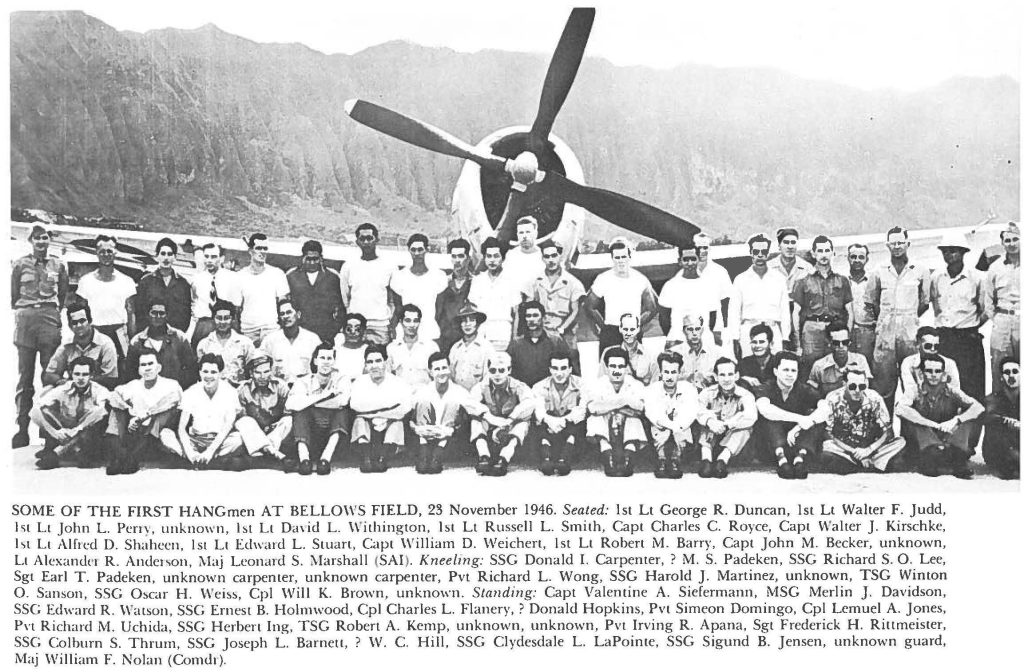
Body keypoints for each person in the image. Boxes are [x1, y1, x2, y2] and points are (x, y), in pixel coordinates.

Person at [12, 225, 69, 447]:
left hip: (48, 320)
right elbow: (13, 294)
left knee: (51, 375)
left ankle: (49, 433)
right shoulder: (20, 264)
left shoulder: (58, 265)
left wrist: (51, 313)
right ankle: (22, 428)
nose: (41, 242)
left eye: (45, 238)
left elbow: (62, 295)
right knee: (25, 377)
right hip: (26, 321)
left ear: (49, 240)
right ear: (30, 241)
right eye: (37, 238)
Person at [865, 226, 931, 407]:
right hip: (885, 334)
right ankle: (886, 430)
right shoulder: (879, 271)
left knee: (913, 382)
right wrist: (886, 320)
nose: (897, 247)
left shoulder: (920, 270)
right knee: (883, 384)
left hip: (910, 335)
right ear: (887, 245)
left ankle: (912, 432)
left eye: (901, 242)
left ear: (908, 244)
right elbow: (871, 301)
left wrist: (908, 318)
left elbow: (925, 302)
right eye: (893, 243)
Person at [895, 353, 984, 479]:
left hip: (946, 438)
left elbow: (979, 407)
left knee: (968, 416)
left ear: (943, 374)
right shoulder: (914, 390)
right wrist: (931, 424)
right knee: (913, 418)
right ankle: (931, 459)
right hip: (924, 444)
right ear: (921, 373)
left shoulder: (951, 390)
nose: (933, 375)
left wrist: (956, 420)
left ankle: (959, 460)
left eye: (937, 371)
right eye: (929, 371)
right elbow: (900, 409)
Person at [159, 353, 246, 470]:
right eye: (205, 371)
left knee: (238, 439)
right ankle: (197, 460)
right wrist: (190, 453)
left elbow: (227, 426)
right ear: (200, 372)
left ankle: (205, 460)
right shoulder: (191, 392)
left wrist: (210, 451)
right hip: (195, 440)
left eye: (213, 372)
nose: (208, 376)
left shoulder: (230, 392)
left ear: (220, 373)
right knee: (166, 434)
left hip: (219, 441)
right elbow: (181, 428)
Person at [105, 347, 183, 475]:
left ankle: (132, 458)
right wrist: (130, 411)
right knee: (116, 411)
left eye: (151, 364)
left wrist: (145, 415)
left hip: (156, 434)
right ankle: (120, 455)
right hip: (137, 431)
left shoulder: (171, 384)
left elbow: (173, 399)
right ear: (139, 370)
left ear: (159, 367)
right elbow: (113, 396)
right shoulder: (134, 385)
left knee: (164, 413)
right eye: (143, 365)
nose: (147, 368)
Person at [930, 232, 987, 402]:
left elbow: (984, 309)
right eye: (945, 251)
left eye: (953, 251)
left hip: (968, 339)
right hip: (944, 338)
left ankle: (973, 428)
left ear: (963, 252)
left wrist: (971, 325)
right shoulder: (936, 278)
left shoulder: (976, 278)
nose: (949, 255)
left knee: (972, 388)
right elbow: (934, 305)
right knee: (944, 385)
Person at [818, 367, 906, 474]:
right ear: (844, 383)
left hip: (871, 446)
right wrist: (854, 452)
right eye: (852, 386)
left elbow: (888, 432)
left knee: (900, 442)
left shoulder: (874, 398)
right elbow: (828, 433)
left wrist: (868, 450)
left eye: (862, 386)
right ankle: (867, 465)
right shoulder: (833, 398)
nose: (857, 391)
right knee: (827, 446)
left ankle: (861, 465)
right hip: (845, 447)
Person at [411, 352, 486, 474]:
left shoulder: (459, 392)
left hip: (447, 439)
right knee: (423, 403)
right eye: (437, 369)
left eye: (444, 368)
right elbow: (409, 416)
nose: (441, 372)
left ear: (449, 369)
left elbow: (476, 410)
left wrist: (452, 430)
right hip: (426, 436)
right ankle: (423, 456)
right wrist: (417, 429)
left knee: (452, 404)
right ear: (430, 372)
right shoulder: (423, 391)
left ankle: (437, 457)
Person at [30, 357, 110, 470]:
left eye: (85, 374)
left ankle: (57, 453)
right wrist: (55, 432)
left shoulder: (100, 391)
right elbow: (35, 410)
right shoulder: (63, 389)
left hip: (87, 433)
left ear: (91, 375)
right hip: (64, 431)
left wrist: (76, 430)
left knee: (99, 413)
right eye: (77, 374)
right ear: (71, 374)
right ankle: (63, 450)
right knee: (42, 410)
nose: (80, 378)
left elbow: (101, 411)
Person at [754, 351, 824, 479]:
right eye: (786, 370)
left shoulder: (803, 389)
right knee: (771, 416)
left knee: (813, 415)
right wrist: (800, 419)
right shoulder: (766, 387)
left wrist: (803, 424)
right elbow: (764, 409)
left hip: (797, 443)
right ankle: (782, 461)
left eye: (793, 371)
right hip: (772, 445)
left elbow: (825, 407)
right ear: (776, 371)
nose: (790, 375)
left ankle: (799, 460)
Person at [286, 343, 351, 476]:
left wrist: (309, 401)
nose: (326, 362)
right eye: (322, 358)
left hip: (333, 433)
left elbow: (342, 402)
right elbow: (291, 405)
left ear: (334, 361)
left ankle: (325, 460)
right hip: (310, 433)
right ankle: (304, 460)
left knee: (342, 412)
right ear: (315, 360)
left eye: (329, 358)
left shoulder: (342, 379)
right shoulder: (303, 381)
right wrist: (326, 396)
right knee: (300, 413)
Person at [791, 235, 853, 373]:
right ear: (813, 254)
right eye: (819, 251)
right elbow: (796, 313)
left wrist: (847, 337)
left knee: (835, 369)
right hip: (812, 330)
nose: (823, 255)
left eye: (827, 251)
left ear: (832, 253)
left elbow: (850, 311)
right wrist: (798, 343)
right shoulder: (802, 281)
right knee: (810, 368)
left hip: (835, 331)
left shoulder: (842, 281)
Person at [585, 239, 658, 353]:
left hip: (632, 331)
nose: (621, 261)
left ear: (629, 257)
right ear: (612, 258)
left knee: (635, 367)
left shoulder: (640, 279)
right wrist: (603, 326)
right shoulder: (603, 279)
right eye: (617, 258)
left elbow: (651, 308)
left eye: (623, 257)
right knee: (608, 368)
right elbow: (589, 306)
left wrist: (637, 325)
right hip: (611, 331)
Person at [350, 345, 413, 474]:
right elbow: (355, 405)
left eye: (378, 361)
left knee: (397, 423)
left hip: (389, 424)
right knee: (360, 420)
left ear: (386, 362)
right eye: (370, 362)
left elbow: (405, 407)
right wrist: (389, 408)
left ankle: (382, 458)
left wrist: (373, 410)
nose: (374, 366)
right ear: (366, 365)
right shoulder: (359, 382)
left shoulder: (398, 382)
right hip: (369, 426)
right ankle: (366, 458)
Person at [75, 234, 136, 365]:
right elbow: (80, 313)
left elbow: (131, 313)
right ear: (96, 253)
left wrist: (132, 340)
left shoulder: (127, 281)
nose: (106, 254)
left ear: (116, 252)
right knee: (94, 369)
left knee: (121, 370)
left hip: (119, 333)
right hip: (95, 332)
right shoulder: (85, 281)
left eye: (109, 251)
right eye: (102, 251)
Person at [470, 352, 534, 476]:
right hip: (491, 423)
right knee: (476, 420)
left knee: (523, 424)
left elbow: (529, 403)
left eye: (501, 370)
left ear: (509, 370)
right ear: (488, 371)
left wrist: (510, 420)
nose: (497, 374)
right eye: (493, 370)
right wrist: (490, 418)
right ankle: (484, 457)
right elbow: (470, 403)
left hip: (509, 426)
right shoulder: (483, 386)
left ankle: (503, 459)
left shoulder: (518, 386)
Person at [587, 346, 647, 477]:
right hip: (606, 428)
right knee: (594, 419)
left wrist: (608, 405)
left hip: (626, 428)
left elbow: (641, 407)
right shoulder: (598, 384)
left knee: (634, 419)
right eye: (612, 366)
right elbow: (592, 408)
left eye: (621, 367)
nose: (616, 371)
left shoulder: (635, 384)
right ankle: (607, 457)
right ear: (607, 368)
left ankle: (628, 458)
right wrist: (622, 404)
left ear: (626, 368)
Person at [694, 358, 757, 478]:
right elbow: (698, 409)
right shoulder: (707, 393)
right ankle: (706, 460)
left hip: (732, 444)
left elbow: (751, 416)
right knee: (707, 418)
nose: (727, 379)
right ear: (716, 377)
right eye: (722, 375)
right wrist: (711, 421)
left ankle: (722, 461)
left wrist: (728, 424)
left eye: (730, 374)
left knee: (745, 427)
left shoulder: (745, 395)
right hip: (709, 440)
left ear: (737, 375)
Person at [729, 234, 789, 357]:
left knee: (774, 368)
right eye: (756, 251)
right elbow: (734, 312)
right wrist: (735, 339)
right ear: (751, 253)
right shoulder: (740, 279)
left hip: (773, 330)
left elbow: (785, 311)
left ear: (768, 253)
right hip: (748, 332)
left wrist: (785, 337)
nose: (760, 255)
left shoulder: (779, 279)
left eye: (764, 251)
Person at [339, 223, 398, 345]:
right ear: (357, 242)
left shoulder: (389, 266)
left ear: (377, 240)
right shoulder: (348, 266)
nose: (366, 242)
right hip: (355, 326)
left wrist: (389, 321)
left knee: (378, 360)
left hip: (381, 326)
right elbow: (345, 298)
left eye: (369, 238)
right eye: (362, 239)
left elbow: (393, 299)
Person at [643, 352, 699, 479]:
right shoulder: (652, 390)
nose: (669, 376)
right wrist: (669, 424)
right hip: (660, 429)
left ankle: (676, 458)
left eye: (673, 372)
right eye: (666, 372)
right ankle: (661, 458)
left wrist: (676, 426)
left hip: (681, 429)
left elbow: (690, 413)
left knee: (683, 426)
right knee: (658, 424)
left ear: (679, 373)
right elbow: (653, 414)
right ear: (660, 373)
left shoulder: (688, 389)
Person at [42, 300, 119, 390]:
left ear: (90, 321)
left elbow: (111, 379)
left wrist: (82, 382)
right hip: (71, 389)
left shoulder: (105, 344)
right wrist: (62, 381)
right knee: (47, 391)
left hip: (97, 392)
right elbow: (49, 375)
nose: (79, 325)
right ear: (70, 326)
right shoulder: (67, 346)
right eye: (74, 323)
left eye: (82, 321)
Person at [532, 352, 587, 476]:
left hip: (569, 429)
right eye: (555, 368)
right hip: (549, 428)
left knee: (577, 423)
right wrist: (551, 420)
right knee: (540, 422)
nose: (559, 373)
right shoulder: (539, 387)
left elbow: (581, 411)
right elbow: (539, 411)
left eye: (563, 368)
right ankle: (546, 459)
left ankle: (565, 459)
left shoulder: (581, 385)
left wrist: (563, 421)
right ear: (550, 370)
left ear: (570, 370)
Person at [658, 242, 721, 349]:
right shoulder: (670, 286)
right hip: (678, 340)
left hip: (703, 339)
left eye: (693, 259)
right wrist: (675, 334)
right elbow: (664, 317)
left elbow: (713, 315)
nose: (690, 263)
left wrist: (702, 333)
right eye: (686, 260)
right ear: (680, 262)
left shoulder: (709, 285)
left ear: (698, 260)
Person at [390, 233, 448, 344]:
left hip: (429, 331)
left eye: (420, 249)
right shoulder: (399, 276)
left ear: (427, 249)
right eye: (413, 250)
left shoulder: (439, 276)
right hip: (405, 331)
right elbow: (398, 308)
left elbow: (440, 309)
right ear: (409, 250)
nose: (417, 253)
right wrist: (393, 328)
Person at [126, 300, 197, 388]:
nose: (158, 316)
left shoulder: (179, 338)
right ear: (148, 315)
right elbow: (130, 375)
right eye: (154, 313)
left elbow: (191, 370)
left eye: (161, 313)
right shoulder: (137, 342)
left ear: (167, 316)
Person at [529, 240, 586, 350]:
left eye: (554, 255)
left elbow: (576, 311)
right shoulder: (536, 281)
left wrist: (561, 329)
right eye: (547, 256)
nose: (551, 260)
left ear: (560, 256)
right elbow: (532, 307)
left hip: (565, 333)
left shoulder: (573, 283)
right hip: (542, 332)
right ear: (543, 259)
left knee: (569, 363)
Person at [235, 355, 292, 463]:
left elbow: (288, 412)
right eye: (258, 372)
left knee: (288, 420)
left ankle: (265, 450)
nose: (263, 376)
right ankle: (271, 452)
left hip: (275, 433)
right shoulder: (243, 389)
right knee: (244, 421)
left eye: (266, 372)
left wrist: (279, 422)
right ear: (251, 373)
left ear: (271, 371)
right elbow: (241, 417)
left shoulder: (281, 386)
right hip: (253, 433)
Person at [468, 237, 522, 351]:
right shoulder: (477, 281)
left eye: (496, 256)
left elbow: (516, 313)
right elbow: (473, 311)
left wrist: (514, 338)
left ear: (502, 258)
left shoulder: (511, 280)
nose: (492, 260)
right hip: (481, 336)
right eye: (489, 256)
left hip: (503, 337)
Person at [984, 222, 1020, 393]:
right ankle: (1000, 410)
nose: (1012, 244)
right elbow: (988, 299)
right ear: (1003, 243)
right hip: (1002, 321)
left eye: (1015, 239)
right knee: (999, 365)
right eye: (1008, 240)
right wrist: (997, 320)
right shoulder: (995, 267)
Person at [237, 233, 290, 347]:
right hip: (247, 332)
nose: (262, 252)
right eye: (258, 248)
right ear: (250, 250)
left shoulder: (277, 274)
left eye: (265, 248)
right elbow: (236, 307)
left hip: (271, 331)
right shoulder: (239, 276)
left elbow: (283, 303)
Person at [286, 239, 344, 343]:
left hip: (326, 332)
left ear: (321, 258)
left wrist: (334, 329)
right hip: (300, 332)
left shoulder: (332, 276)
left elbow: (341, 306)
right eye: (308, 259)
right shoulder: (292, 276)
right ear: (303, 258)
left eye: (315, 259)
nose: (312, 262)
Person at [189, 242, 242, 349]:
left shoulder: (232, 278)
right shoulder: (197, 279)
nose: (209, 260)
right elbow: (194, 302)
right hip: (203, 324)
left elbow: (237, 304)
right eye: (206, 256)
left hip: (225, 323)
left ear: (221, 259)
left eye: (213, 257)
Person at [134, 237, 192, 334]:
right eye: (163, 253)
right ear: (157, 256)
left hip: (174, 336)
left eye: (169, 254)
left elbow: (186, 314)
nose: (166, 258)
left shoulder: (183, 284)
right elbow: (140, 312)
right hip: (151, 334)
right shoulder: (146, 282)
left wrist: (178, 334)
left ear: (175, 257)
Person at [196, 300, 259, 386]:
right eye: (219, 318)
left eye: (226, 318)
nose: (222, 322)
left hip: (238, 391)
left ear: (232, 319)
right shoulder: (204, 344)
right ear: (213, 319)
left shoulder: (245, 343)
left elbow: (254, 371)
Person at [767, 227, 813, 347]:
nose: (790, 246)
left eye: (793, 242)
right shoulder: (769, 268)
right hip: (777, 315)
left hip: (800, 315)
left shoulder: (807, 268)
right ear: (779, 245)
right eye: (786, 242)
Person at [507, 301, 571, 386]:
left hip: (548, 392)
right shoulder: (516, 344)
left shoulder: (556, 342)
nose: (531, 319)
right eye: (528, 316)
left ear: (543, 318)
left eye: (535, 315)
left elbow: (568, 371)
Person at [261, 298, 321, 386]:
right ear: (279, 318)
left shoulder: (312, 339)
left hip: (305, 389)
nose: (285, 316)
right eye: (282, 314)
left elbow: (321, 367)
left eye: (289, 312)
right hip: (279, 389)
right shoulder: (270, 340)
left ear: (298, 314)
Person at [806, 322, 873, 396]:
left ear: (849, 343)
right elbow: (812, 393)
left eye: (845, 342)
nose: (841, 346)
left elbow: (866, 390)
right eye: (836, 343)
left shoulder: (860, 360)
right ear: (829, 344)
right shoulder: (819, 366)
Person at [898, 326, 962, 400]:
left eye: (936, 346)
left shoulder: (949, 364)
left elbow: (955, 392)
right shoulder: (909, 363)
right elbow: (910, 391)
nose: (933, 349)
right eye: (928, 346)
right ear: (918, 344)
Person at [669, 313, 728, 391]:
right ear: (684, 331)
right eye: (690, 329)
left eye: (697, 329)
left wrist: (710, 379)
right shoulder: (674, 353)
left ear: (702, 330)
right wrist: (687, 378)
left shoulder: (717, 353)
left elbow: (726, 376)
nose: (694, 333)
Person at [694, 232, 734, 348]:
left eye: (705, 248)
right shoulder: (687, 272)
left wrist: (725, 327)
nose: (702, 251)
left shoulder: (720, 271)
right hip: (693, 325)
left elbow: (727, 300)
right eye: (698, 248)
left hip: (716, 324)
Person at [435, 238, 475, 353]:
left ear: (468, 258)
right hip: (445, 339)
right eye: (454, 256)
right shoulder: (443, 282)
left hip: (467, 339)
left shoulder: (475, 283)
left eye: (461, 256)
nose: (457, 260)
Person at [983, 357, 1020, 479]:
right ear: (1001, 377)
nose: (1011, 375)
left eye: (1015, 371)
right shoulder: (993, 398)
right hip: (1000, 449)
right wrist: (1008, 422)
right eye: (1007, 372)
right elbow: (988, 416)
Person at [599, 313, 660, 385]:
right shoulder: (609, 353)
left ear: (638, 329)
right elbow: (602, 381)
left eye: (632, 329)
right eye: (625, 329)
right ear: (620, 329)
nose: (628, 333)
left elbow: (655, 384)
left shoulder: (650, 355)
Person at [387, 304, 439, 388]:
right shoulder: (392, 348)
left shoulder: (431, 347)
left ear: (419, 322)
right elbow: (387, 378)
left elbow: (438, 376)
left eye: (415, 321)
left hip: (424, 396)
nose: (412, 325)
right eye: (408, 320)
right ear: (401, 322)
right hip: (400, 396)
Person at [448, 303, 496, 391]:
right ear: (460, 324)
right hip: (457, 395)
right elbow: (451, 375)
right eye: (464, 320)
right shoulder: (455, 348)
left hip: (478, 396)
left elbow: (488, 378)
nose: (467, 324)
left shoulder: (486, 347)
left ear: (477, 323)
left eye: (472, 320)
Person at [846, 243, 876, 358]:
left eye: (861, 257)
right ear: (848, 258)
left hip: (868, 332)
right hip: (846, 332)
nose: (857, 260)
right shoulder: (841, 280)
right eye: (853, 257)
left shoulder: (873, 280)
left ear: (867, 259)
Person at [502, 216, 546, 293]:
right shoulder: (511, 256)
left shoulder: (544, 256)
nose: (524, 236)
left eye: (528, 232)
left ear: (535, 233)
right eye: (521, 233)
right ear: (517, 235)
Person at [737, 324, 775, 391]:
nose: (757, 346)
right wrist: (743, 378)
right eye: (754, 342)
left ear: (771, 344)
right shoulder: (744, 363)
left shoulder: (778, 362)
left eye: (761, 342)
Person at [333, 313, 370, 382]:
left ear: (364, 331)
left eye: (357, 329)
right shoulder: (336, 351)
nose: (353, 332)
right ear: (342, 330)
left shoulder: (369, 351)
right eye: (349, 328)